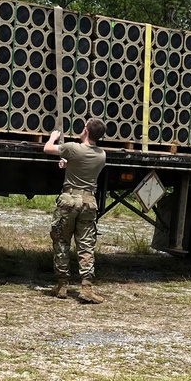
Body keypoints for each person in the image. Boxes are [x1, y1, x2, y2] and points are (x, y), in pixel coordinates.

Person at [43, 116, 107, 303]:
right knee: (86, 244)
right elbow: (83, 168)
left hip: (69, 200)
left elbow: (47, 149)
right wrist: (68, 164)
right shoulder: (101, 155)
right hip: (88, 201)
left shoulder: (72, 148)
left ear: (86, 130)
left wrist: (53, 137)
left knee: (62, 240)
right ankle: (86, 288)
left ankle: (62, 285)